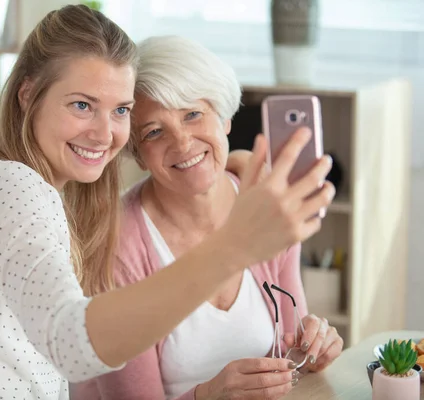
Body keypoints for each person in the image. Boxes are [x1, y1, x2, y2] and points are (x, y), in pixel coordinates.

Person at [0, 6, 335, 399]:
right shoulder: (8, 186)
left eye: (120, 110)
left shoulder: (42, 191)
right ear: (27, 94)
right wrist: (234, 247)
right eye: (81, 105)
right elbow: (71, 346)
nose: (103, 133)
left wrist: (234, 172)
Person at [72, 35, 343, 400]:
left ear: (225, 118)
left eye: (193, 114)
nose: (182, 143)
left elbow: (291, 356)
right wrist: (209, 394)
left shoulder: (266, 208)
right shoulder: (115, 246)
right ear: (137, 155)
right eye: (154, 132)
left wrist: (315, 348)